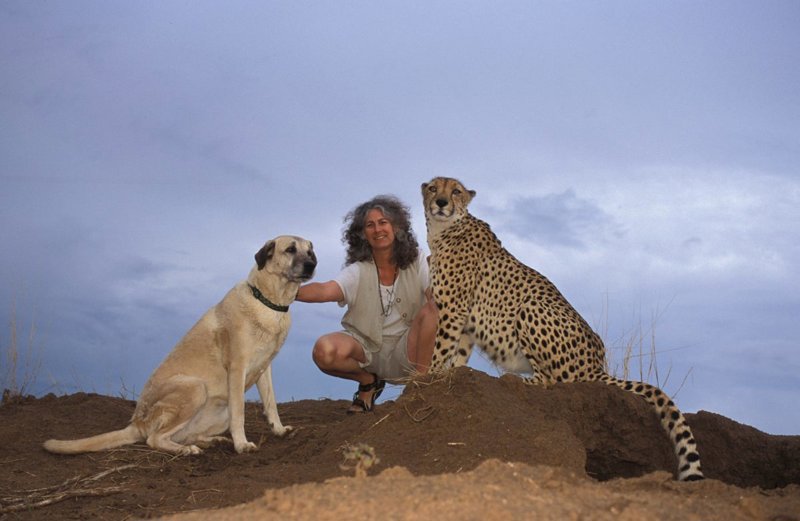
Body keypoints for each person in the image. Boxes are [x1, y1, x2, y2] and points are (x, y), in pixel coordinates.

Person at [296, 195, 438, 414]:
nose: (377, 229)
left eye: (383, 222)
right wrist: (287, 292)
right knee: (324, 350)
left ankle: (421, 389)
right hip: (367, 351)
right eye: (370, 225)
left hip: (407, 350)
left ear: (396, 227)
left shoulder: (416, 260)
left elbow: (435, 297)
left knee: (434, 309)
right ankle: (368, 383)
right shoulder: (358, 270)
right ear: (362, 234)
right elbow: (326, 290)